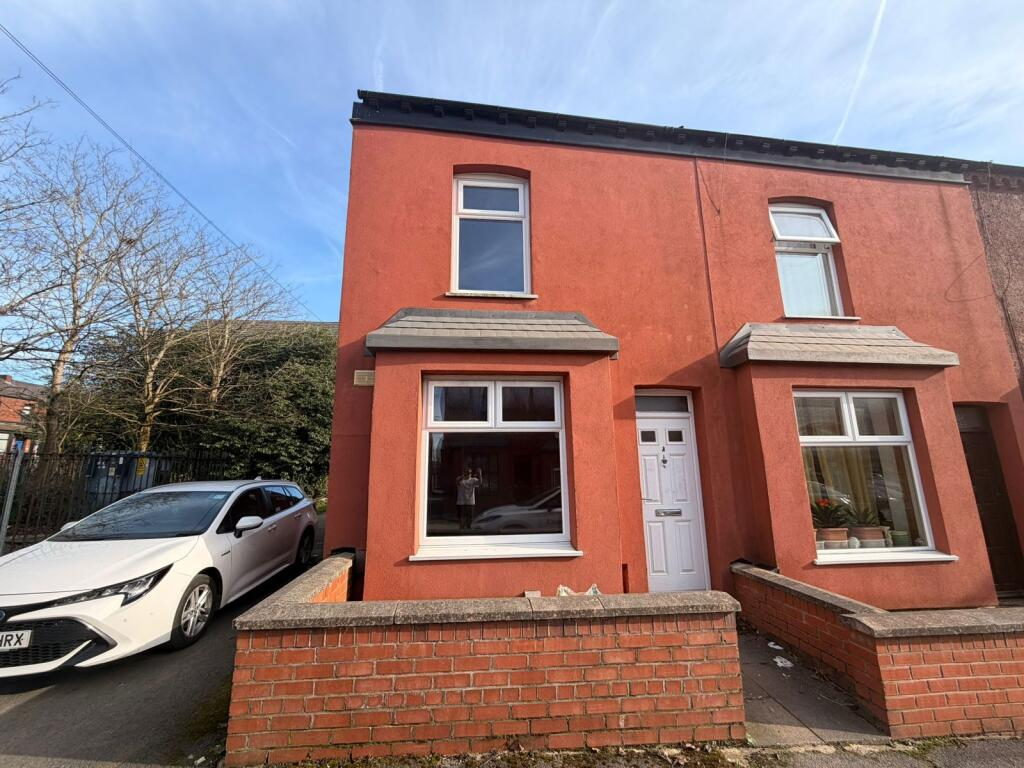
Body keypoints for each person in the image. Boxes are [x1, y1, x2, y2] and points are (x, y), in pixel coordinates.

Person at [456, 467, 483, 531]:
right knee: (462, 518)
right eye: (467, 472)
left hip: (470, 502)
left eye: (470, 472)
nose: (468, 474)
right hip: (461, 502)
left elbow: (480, 482)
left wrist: (480, 474)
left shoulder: (473, 480)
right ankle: (461, 529)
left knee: (470, 517)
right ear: (464, 472)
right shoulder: (460, 479)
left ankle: (468, 529)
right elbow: (457, 482)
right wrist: (463, 475)